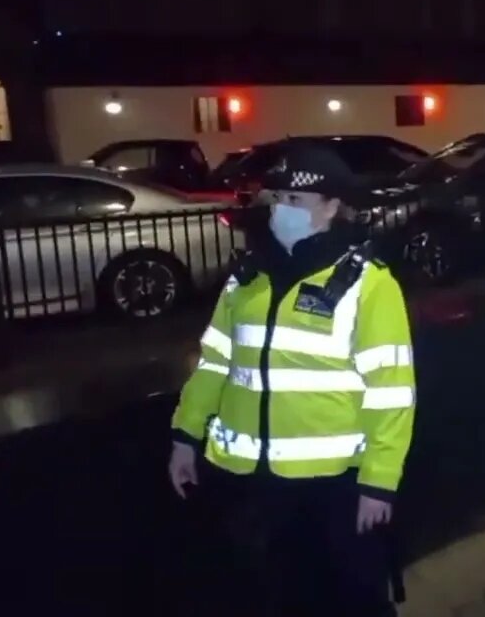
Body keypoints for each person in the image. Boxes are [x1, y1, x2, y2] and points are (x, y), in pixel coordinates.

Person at [167, 144, 415, 617]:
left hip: (334, 488)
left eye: (296, 201)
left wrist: (379, 483)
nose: (282, 209)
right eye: (276, 197)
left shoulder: (367, 283)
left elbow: (392, 392)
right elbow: (215, 362)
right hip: (252, 483)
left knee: (353, 601)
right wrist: (185, 434)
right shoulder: (248, 279)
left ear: (333, 206)